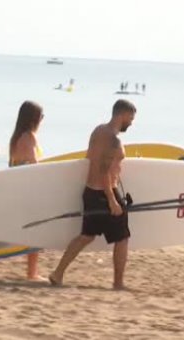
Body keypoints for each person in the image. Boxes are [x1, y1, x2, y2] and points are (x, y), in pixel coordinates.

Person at [50, 99, 136, 290]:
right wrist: (112, 200)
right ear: (122, 114)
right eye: (131, 118)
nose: (131, 122)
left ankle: (58, 273)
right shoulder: (114, 141)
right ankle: (118, 283)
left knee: (86, 236)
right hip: (105, 193)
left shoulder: (98, 131)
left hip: (90, 191)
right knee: (122, 237)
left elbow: (90, 160)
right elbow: (104, 170)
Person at [8, 101, 45, 281]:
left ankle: (32, 271)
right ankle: (32, 273)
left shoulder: (16, 138)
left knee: (33, 231)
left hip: (20, 187)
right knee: (36, 231)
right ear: (34, 119)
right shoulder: (29, 137)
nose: (42, 120)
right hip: (30, 188)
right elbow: (34, 163)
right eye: (41, 116)